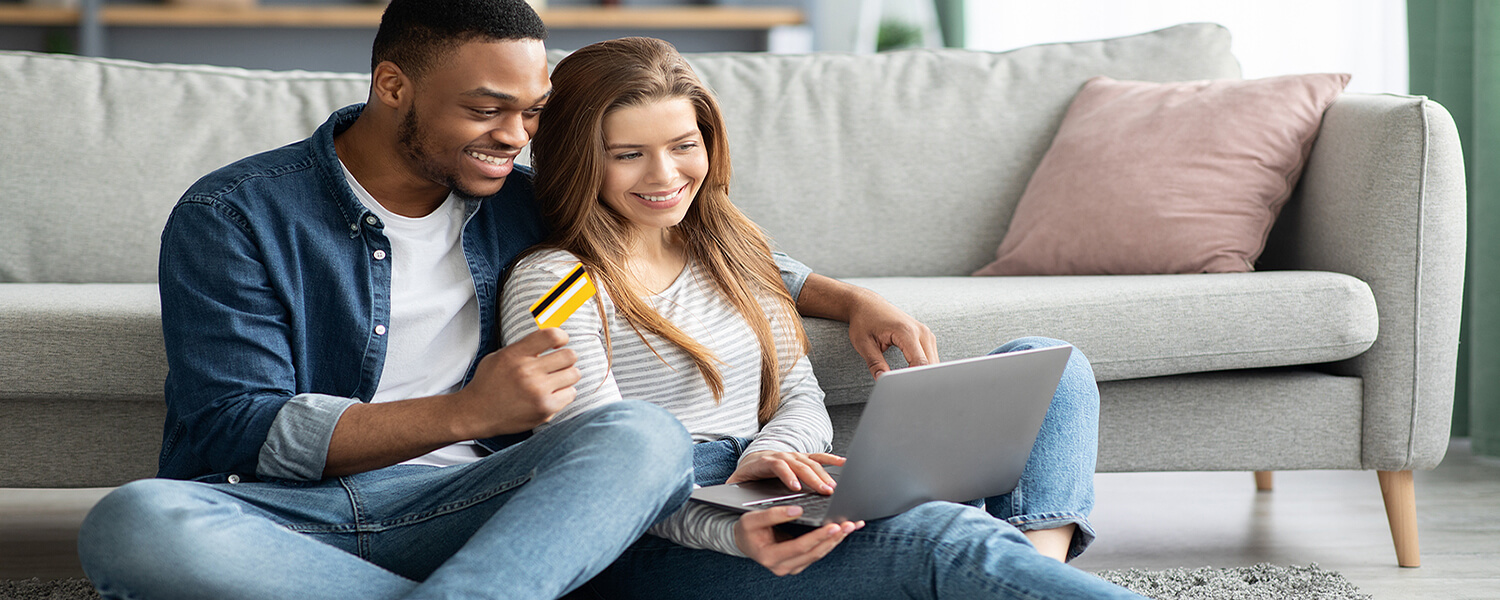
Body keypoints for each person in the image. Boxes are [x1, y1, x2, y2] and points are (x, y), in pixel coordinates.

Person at [74, 2, 941, 599]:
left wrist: (843, 295)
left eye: (531, 114)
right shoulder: (237, 215)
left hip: (489, 503)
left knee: (639, 434)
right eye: (488, 111)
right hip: (298, 517)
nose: (517, 140)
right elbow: (235, 427)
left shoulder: (519, 200)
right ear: (392, 87)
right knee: (135, 522)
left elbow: (693, 231)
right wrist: (462, 411)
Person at [500, 36, 1148, 599]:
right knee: (946, 539)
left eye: (682, 144)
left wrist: (774, 452)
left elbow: (797, 392)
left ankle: (1016, 579)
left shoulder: (732, 252)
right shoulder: (560, 283)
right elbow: (596, 476)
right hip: (660, 532)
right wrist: (731, 527)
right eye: (628, 153)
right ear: (581, 159)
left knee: (1051, 365)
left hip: (768, 485)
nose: (665, 174)